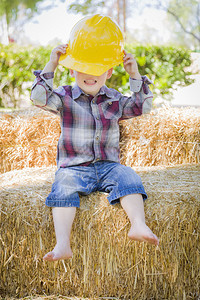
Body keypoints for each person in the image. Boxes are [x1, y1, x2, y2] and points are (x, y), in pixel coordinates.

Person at [31, 14, 159, 262]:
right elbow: (38, 97)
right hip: (74, 167)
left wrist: (134, 75)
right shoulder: (64, 96)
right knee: (63, 189)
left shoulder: (113, 99)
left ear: (109, 71)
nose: (90, 75)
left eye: (97, 69)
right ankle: (63, 245)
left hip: (108, 167)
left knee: (129, 177)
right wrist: (51, 64)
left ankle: (138, 225)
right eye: (83, 69)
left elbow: (142, 107)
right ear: (72, 69)